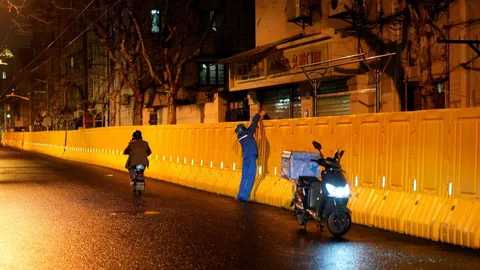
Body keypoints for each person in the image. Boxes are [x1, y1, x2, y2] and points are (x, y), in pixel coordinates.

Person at [235, 110, 266, 202]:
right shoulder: (248, 133)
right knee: (251, 176)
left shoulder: (240, 136)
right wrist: (258, 115)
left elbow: (250, 128)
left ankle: (240, 194)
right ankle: (245, 196)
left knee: (244, 176)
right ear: (243, 129)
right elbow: (253, 124)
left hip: (245, 157)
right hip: (251, 155)